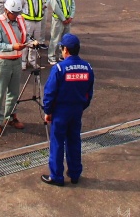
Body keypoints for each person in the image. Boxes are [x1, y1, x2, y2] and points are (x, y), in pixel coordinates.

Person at [41, 33, 94, 186]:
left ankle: (57, 176)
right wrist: (81, 106)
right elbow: (89, 92)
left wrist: (48, 111)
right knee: (74, 141)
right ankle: (75, 173)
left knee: (57, 143)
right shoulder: (87, 67)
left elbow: (50, 92)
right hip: (77, 110)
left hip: (60, 112)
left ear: (65, 50)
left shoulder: (59, 68)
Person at [0, 0, 27, 135]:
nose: (15, 16)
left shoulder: (20, 20)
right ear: (6, 10)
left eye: (17, 13)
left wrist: (29, 42)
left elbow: (24, 36)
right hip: (3, 61)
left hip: (16, 60)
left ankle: (11, 116)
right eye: (13, 13)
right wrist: (12, 46)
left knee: (14, 92)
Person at [48, 0, 75, 65]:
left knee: (65, 39)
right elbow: (56, 7)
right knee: (55, 38)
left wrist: (71, 16)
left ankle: (62, 55)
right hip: (58, 20)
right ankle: (51, 57)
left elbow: (73, 5)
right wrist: (63, 18)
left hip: (67, 20)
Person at [19, 0, 44, 70]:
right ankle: (23, 61)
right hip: (27, 22)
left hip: (38, 22)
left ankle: (32, 61)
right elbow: (18, 7)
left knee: (35, 43)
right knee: (26, 42)